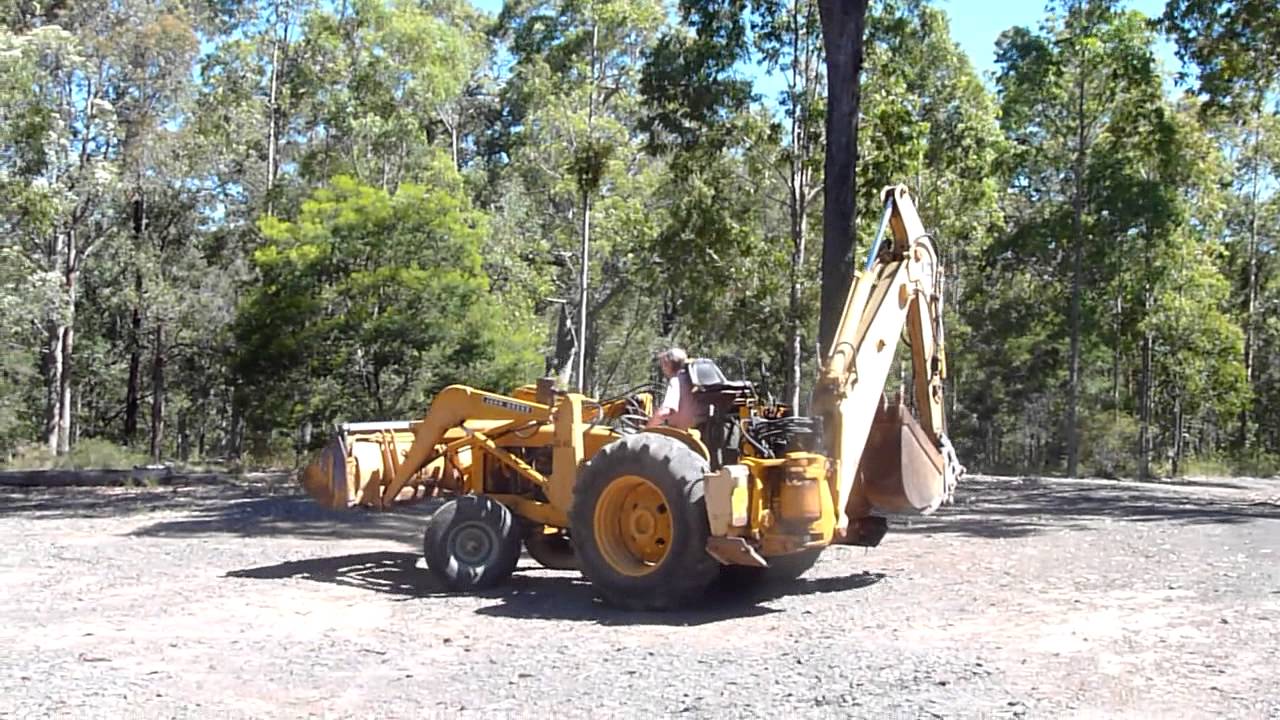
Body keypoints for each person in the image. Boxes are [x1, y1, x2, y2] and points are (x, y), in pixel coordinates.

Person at [646, 347, 697, 430]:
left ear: (668, 364)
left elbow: (664, 412)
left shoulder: (676, 380)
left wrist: (647, 429)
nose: (663, 368)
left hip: (678, 431)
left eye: (663, 364)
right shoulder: (691, 380)